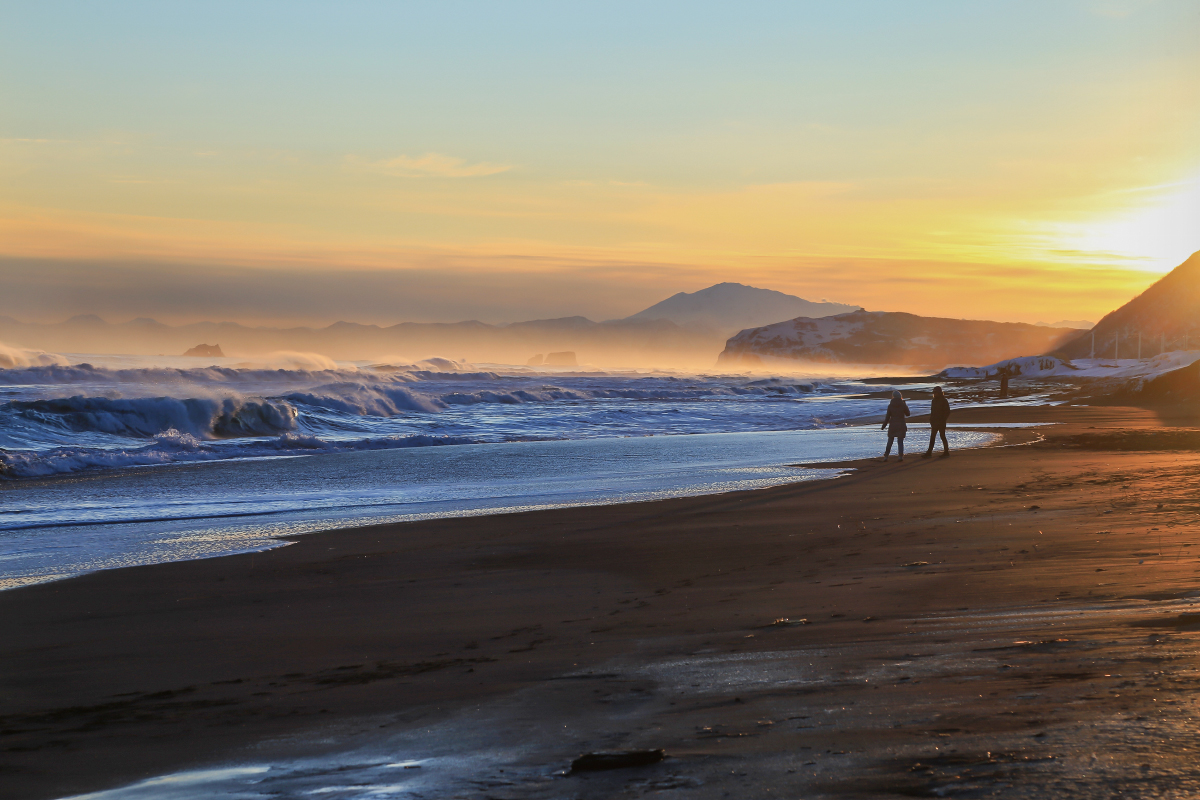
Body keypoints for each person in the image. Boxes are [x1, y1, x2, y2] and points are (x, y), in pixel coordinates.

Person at [881, 390, 910, 462]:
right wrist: (905, 405)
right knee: (900, 441)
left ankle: (886, 456)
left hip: (893, 425)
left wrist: (884, 425)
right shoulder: (903, 404)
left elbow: (887, 417)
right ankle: (900, 456)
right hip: (901, 424)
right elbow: (908, 414)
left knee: (890, 441)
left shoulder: (890, 405)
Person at [923, 385, 951, 458]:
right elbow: (932, 411)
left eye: (936, 392)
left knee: (942, 436)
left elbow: (947, 412)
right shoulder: (934, 400)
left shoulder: (944, 401)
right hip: (934, 422)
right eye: (934, 392)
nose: (935, 394)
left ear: (939, 393)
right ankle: (929, 452)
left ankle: (946, 452)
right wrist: (931, 419)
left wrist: (943, 419)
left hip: (941, 422)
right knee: (932, 437)